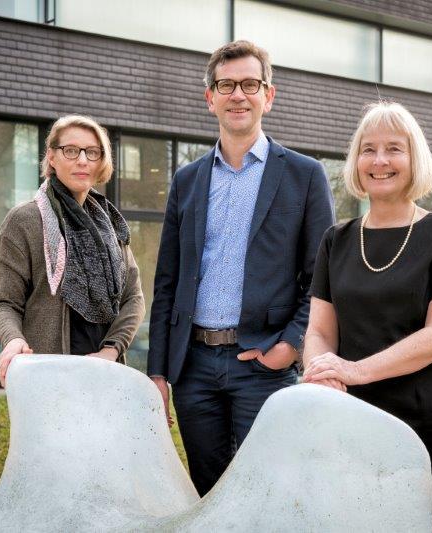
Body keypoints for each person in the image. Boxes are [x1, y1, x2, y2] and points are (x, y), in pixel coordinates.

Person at [147, 40, 335, 496]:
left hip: (263, 365)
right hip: (193, 367)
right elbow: (167, 281)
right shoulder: (186, 180)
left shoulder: (306, 175)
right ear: (209, 97)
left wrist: (289, 347)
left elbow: (323, 280)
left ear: (268, 95)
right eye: (226, 85)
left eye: (250, 84)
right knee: (207, 491)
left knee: (267, 490)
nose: (238, 95)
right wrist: (158, 371)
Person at [302, 101, 432, 527]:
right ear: (356, 161)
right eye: (368, 149)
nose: (379, 161)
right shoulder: (335, 240)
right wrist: (322, 373)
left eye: (394, 149)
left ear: (415, 158)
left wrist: (356, 370)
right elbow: (320, 332)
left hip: (427, 414)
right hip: (352, 414)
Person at [0, 115, 145, 386]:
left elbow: (133, 298)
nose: (83, 160)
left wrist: (111, 350)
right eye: (71, 151)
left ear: (102, 160)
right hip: (48, 375)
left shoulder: (111, 224)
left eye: (92, 152)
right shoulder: (25, 220)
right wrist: (13, 340)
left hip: (105, 372)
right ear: (52, 156)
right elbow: (6, 304)